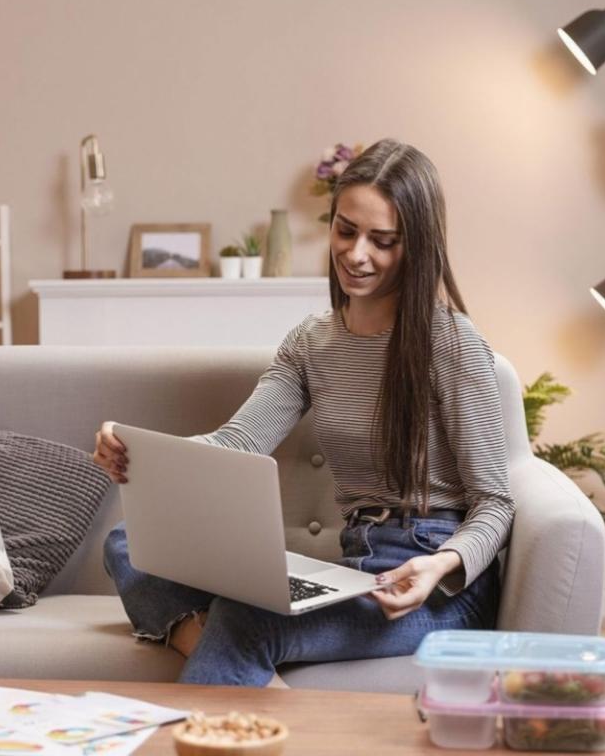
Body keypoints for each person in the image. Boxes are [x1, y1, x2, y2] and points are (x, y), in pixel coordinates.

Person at [94, 138, 513, 687]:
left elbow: (496, 503)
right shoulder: (311, 342)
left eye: (382, 241)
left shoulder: (451, 342)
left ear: (416, 246)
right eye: (346, 230)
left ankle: (230, 678)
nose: (357, 254)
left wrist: (440, 565)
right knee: (128, 542)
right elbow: (240, 441)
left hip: (433, 585)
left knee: (246, 623)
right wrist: (142, 454)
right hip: (352, 568)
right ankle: (255, 685)